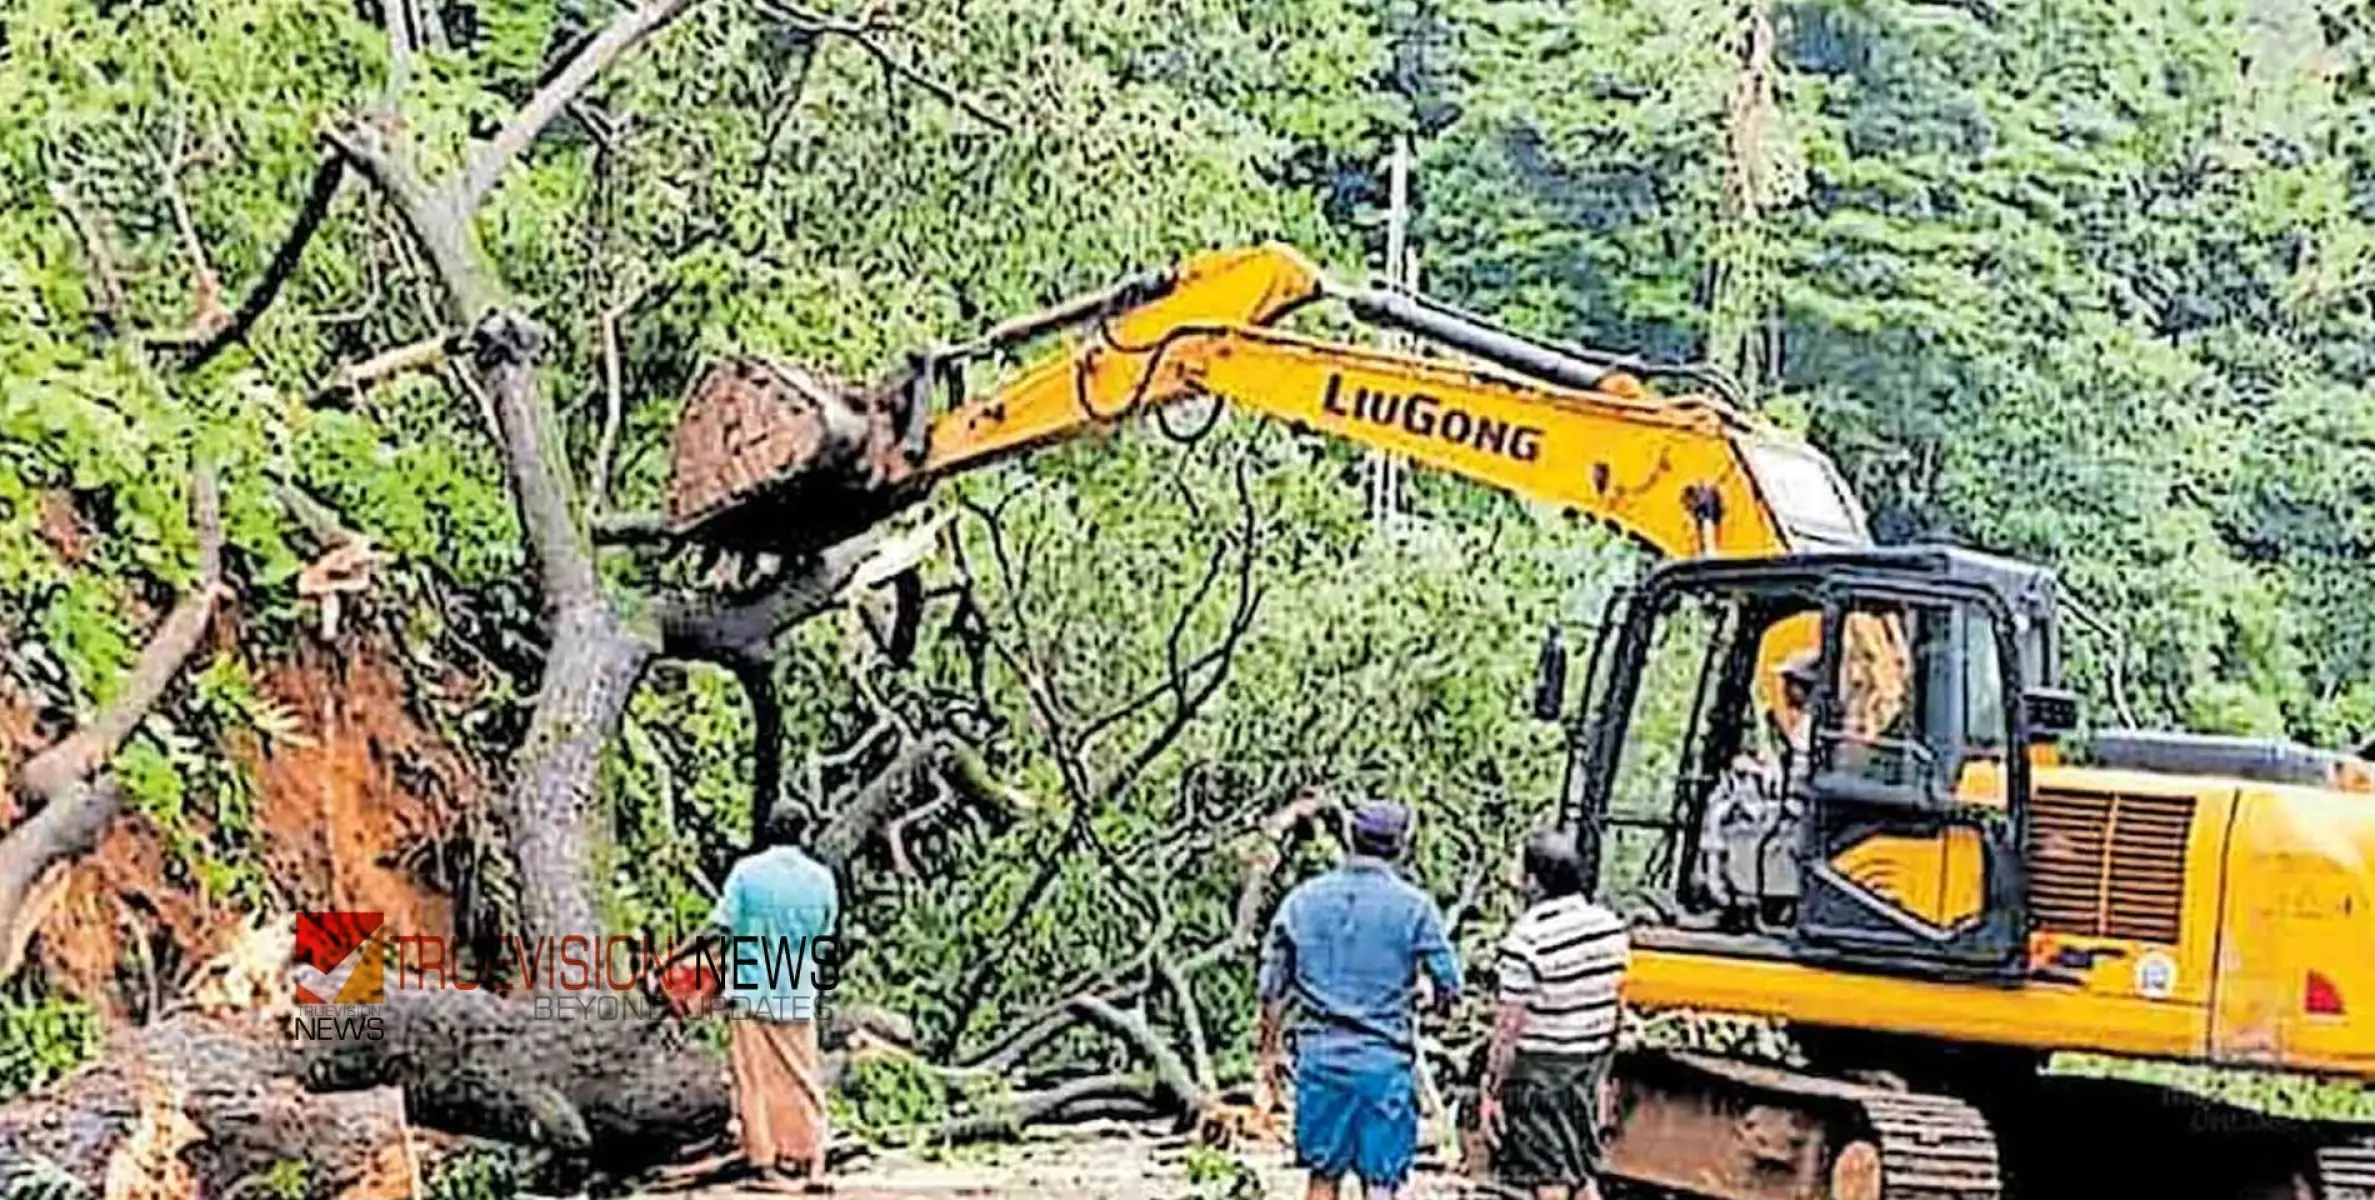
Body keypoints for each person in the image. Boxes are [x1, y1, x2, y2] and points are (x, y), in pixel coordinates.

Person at [1257, 799, 1464, 1200]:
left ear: (1349, 838)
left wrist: (1268, 1053)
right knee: (1381, 1182)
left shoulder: (1302, 900)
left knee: (1322, 1176)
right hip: (1384, 1066)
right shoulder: (1416, 908)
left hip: (1320, 1060)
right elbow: (1450, 986)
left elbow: (1272, 988)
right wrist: (1431, 1001)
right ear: (1402, 846)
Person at [658, 803, 841, 1187]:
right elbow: (824, 937)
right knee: (802, 1076)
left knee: (753, 1080)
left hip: (752, 991)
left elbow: (719, 930)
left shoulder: (746, 874)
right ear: (803, 833)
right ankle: (813, 1160)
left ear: (769, 830)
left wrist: (675, 957)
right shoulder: (822, 879)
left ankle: (766, 1164)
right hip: (798, 991)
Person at [1479, 828, 1631, 1200]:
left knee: (1548, 1177)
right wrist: (1603, 1073)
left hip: (1541, 1071)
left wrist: (1493, 1086)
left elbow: (1508, 1026)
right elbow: (1617, 1004)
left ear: (1534, 881)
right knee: (1580, 1172)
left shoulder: (1527, 940)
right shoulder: (1610, 928)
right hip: (1588, 1063)